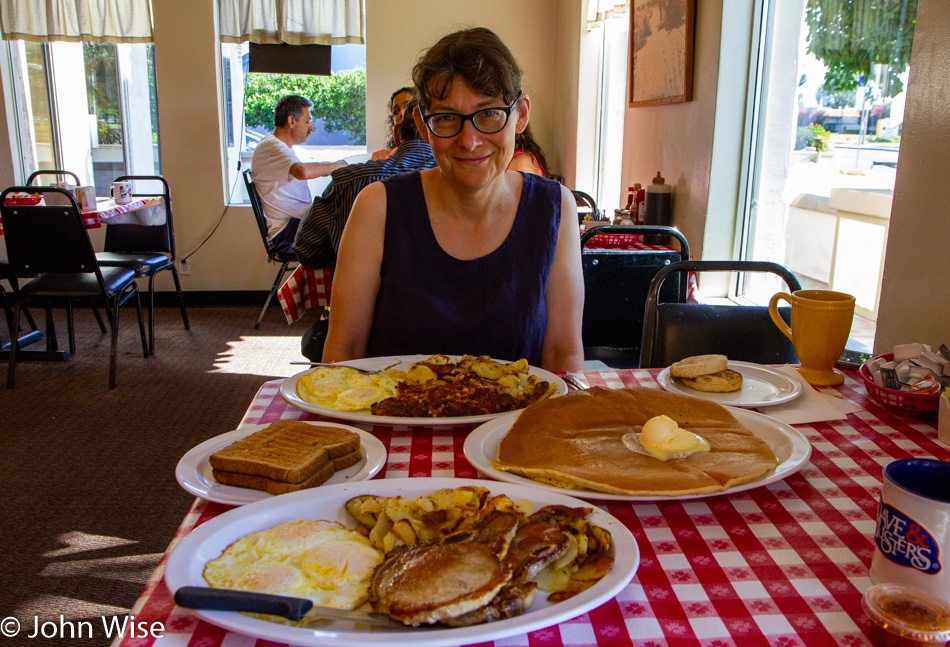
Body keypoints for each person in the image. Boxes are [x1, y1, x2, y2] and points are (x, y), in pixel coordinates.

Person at [323, 27, 584, 372]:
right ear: (422, 123)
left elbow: (563, 355)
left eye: (489, 113)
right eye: (446, 118)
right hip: (390, 422)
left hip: (515, 424)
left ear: (520, 114)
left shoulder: (555, 208)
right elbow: (344, 349)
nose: (470, 141)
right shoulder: (377, 206)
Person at [293, 98, 437, 269]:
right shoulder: (465, 187)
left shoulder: (348, 181)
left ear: (397, 134)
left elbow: (306, 249)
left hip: (357, 293)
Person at [250, 94, 346, 255]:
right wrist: (339, 166)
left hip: (296, 227)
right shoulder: (274, 148)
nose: (311, 127)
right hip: (288, 233)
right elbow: (302, 171)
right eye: (307, 121)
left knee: (347, 222)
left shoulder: (277, 146)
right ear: (291, 121)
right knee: (348, 234)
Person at [371, 87, 415, 161]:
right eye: (396, 112)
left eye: (408, 107)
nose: (401, 113)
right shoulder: (379, 157)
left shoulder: (437, 156)